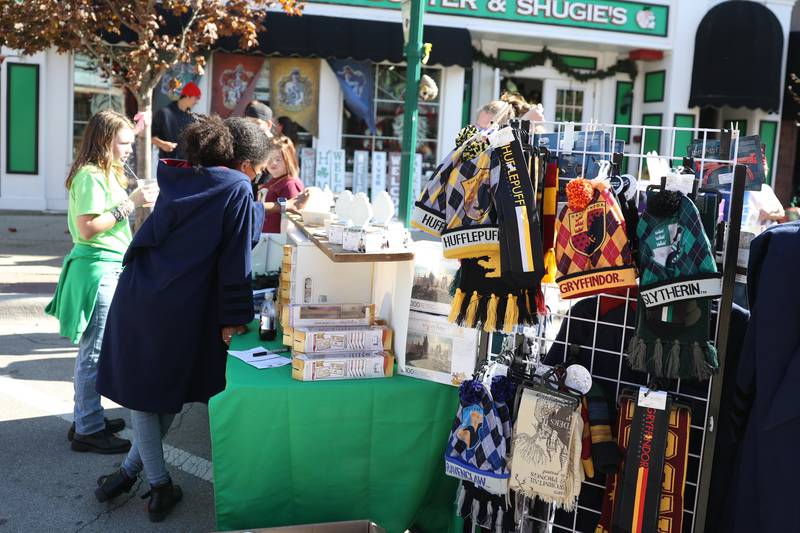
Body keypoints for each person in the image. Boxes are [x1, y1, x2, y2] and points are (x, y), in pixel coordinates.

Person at [92, 117, 304, 522]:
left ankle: (129, 473)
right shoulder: (239, 188)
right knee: (157, 394)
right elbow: (235, 259)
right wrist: (235, 317)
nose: (257, 178)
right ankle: (158, 487)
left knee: (157, 392)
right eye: (258, 170)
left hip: (140, 291)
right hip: (180, 304)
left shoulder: (186, 175)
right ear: (246, 164)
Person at [45, 110, 158, 454]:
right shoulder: (90, 175)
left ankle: (86, 417)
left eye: (131, 142)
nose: (129, 149)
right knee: (93, 353)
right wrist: (132, 204)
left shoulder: (104, 172)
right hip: (97, 270)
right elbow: (88, 228)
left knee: (96, 350)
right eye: (123, 143)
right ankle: (88, 429)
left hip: (106, 266)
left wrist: (143, 125)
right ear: (103, 141)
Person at [260, 136, 306, 233]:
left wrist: (283, 247)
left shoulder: (290, 185)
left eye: (278, 159)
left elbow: (289, 224)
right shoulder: (272, 181)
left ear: (288, 160)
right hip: (264, 240)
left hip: (276, 243)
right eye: (269, 158)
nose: (273, 163)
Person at [151, 81, 201, 160]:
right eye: (196, 98)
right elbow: (150, 137)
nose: (197, 102)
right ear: (188, 96)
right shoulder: (164, 114)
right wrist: (162, 144)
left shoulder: (192, 118)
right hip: (167, 164)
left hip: (186, 165)